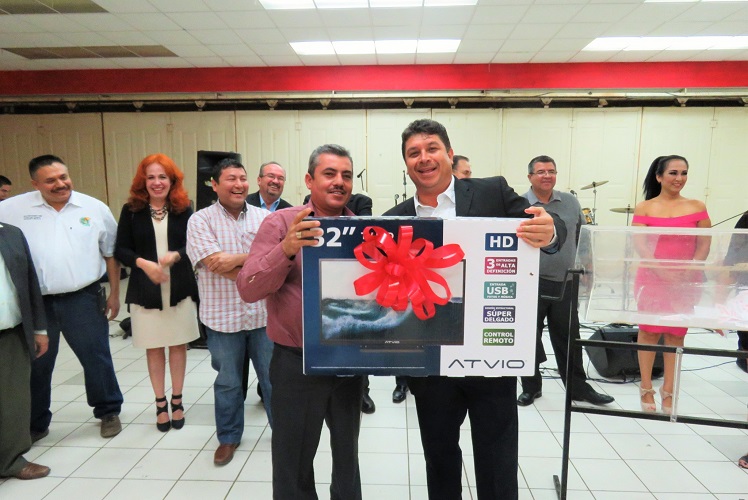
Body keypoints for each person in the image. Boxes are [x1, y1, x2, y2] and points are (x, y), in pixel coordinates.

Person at [385, 119, 565, 500]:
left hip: (492, 355)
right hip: (431, 364)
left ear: (449, 154)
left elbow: (550, 228)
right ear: (406, 164)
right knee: (439, 459)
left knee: (498, 460)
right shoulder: (393, 221)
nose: (424, 158)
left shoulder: (491, 192)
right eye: (414, 153)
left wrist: (549, 231)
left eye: (432, 148)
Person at [238, 144, 365, 500]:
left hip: (349, 360)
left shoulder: (363, 230)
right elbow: (248, 288)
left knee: (347, 455)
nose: (339, 182)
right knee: (292, 460)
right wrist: (286, 249)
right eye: (329, 174)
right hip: (297, 363)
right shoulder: (281, 224)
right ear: (309, 180)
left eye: (346, 175)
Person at [0, 154, 124, 440]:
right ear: (35, 184)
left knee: (96, 357)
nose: (60, 184)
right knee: (38, 363)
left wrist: (115, 295)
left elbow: (111, 253)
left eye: (63, 177)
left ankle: (108, 411)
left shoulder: (94, 208)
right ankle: (36, 422)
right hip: (36, 303)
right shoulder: (11, 209)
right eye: (50, 180)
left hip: (83, 298)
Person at [186, 157, 273, 466]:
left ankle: (284, 433)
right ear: (214, 184)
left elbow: (274, 259)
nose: (239, 184)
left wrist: (235, 259)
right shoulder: (200, 220)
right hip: (222, 318)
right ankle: (228, 437)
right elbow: (213, 264)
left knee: (273, 379)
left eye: (242, 178)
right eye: (231, 179)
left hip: (263, 316)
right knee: (228, 382)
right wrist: (256, 263)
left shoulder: (264, 218)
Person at [517, 155, 615, 407]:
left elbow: (583, 236)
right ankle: (531, 388)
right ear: (530, 177)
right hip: (531, 283)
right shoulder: (520, 204)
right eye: (540, 172)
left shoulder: (570, 202)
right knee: (529, 337)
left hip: (566, 281)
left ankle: (578, 389)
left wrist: (588, 267)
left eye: (551, 171)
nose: (547, 176)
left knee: (569, 338)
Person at [114, 153, 200, 432]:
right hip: (145, 289)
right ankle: (160, 403)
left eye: (162, 176)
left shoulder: (184, 209)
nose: (157, 182)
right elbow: (121, 249)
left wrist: (176, 255)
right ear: (143, 181)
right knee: (153, 347)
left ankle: (177, 400)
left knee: (177, 345)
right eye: (150, 177)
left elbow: (194, 244)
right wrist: (143, 263)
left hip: (179, 288)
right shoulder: (131, 210)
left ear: (172, 180)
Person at [632, 155, 710, 414]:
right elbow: (641, 246)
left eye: (684, 173)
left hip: (685, 280)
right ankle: (646, 387)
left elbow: (704, 245)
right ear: (659, 177)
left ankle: (669, 390)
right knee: (649, 331)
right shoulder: (645, 207)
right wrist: (662, 272)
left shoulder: (697, 206)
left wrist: (688, 271)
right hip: (652, 278)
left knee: (676, 333)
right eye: (673, 173)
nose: (679, 178)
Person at [0, 223, 50, 480]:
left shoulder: (11, 233)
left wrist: (39, 328)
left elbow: (30, 283)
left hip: (12, 331)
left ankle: (11, 459)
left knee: (14, 399)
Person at [245, 161, 291, 403]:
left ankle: (267, 395)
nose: (275, 181)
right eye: (271, 176)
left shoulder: (291, 212)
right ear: (259, 180)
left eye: (280, 178)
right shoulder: (244, 205)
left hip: (277, 293)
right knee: (238, 365)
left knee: (269, 357)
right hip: (245, 291)